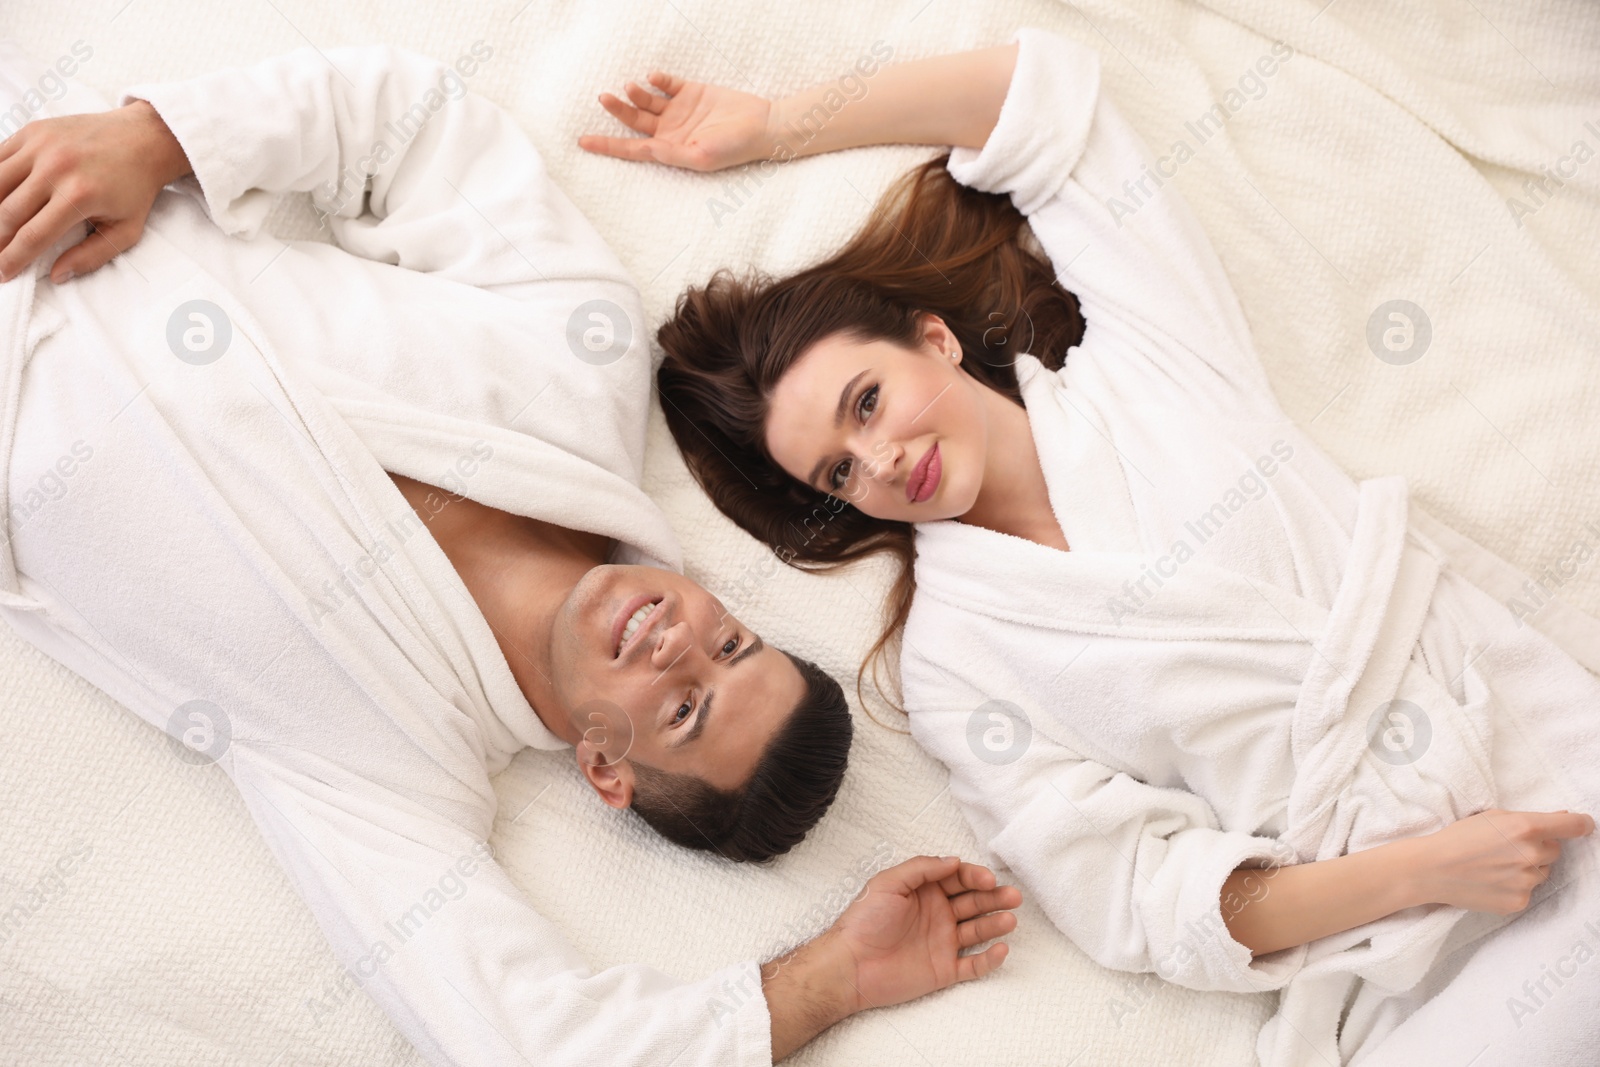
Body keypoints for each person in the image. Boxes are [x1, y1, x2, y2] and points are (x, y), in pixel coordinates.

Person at [581, 27, 1600, 1065]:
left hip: (1544, 749)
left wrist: (775, 124)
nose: (880, 459)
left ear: (932, 337)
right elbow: (1139, 895)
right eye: (838, 471)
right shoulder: (952, 663)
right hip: (1396, 939)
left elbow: (1032, 96)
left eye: (867, 401)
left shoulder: (1154, 358)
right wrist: (1419, 874)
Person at [0, 41, 1020, 1066]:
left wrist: (828, 977)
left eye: (681, 709)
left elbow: (520, 1039)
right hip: (46, 165)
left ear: (606, 771)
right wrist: (158, 138)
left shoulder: (394, 772)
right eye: (733, 644)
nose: (679, 642)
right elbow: (408, 124)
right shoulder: (583, 366)